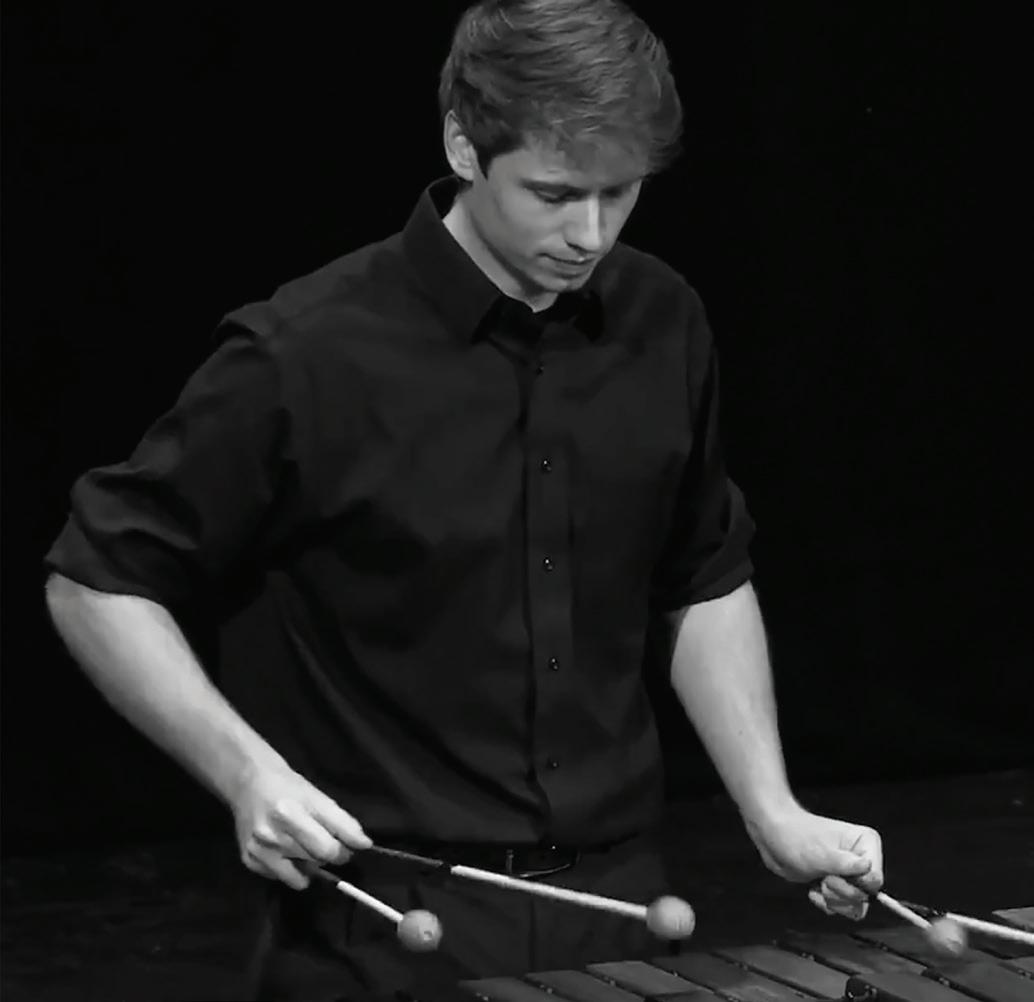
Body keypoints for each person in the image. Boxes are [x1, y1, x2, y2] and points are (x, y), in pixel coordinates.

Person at [43, 1, 884, 999]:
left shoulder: (665, 320)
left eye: (619, 194)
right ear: (462, 145)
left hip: (619, 903)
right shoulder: (306, 353)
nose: (589, 233)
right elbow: (97, 580)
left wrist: (770, 808)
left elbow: (702, 574)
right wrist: (245, 774)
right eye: (554, 194)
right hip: (382, 916)